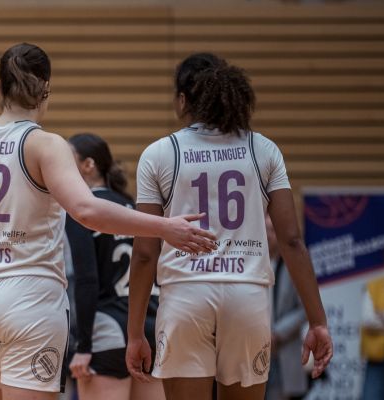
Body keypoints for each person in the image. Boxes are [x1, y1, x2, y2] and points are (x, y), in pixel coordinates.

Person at [0, 42, 217, 400]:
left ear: (0, 88)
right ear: (46, 90)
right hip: (27, 298)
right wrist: (164, 227)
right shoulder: (45, 145)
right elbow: (87, 210)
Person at [125, 53, 333, 400]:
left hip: (185, 295)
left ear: (182, 101)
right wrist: (318, 321)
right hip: (246, 295)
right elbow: (292, 241)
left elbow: (145, 253)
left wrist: (134, 334)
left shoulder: (159, 153)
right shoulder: (263, 149)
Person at [64, 133, 165, 400]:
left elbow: (86, 279)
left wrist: (83, 345)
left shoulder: (83, 210)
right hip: (152, 325)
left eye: (66, 159)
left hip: (108, 328)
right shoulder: (133, 207)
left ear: (88, 165)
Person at [265, 215, 309, 400]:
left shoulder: (295, 266)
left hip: (282, 349)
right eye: (265, 230)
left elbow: (305, 309)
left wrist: (277, 333)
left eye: (272, 231)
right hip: (251, 349)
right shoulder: (249, 264)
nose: (268, 235)